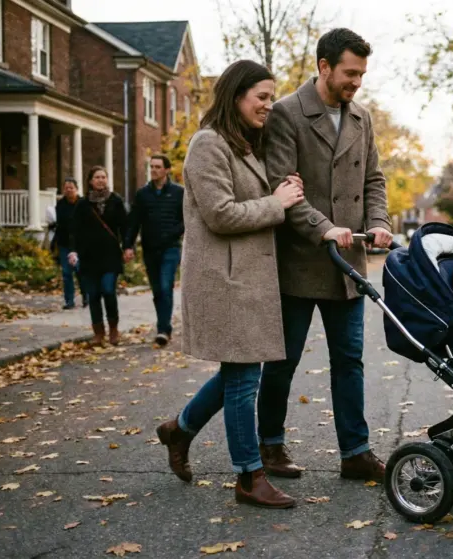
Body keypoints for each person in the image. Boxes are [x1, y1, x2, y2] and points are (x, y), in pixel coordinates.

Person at [155, 60, 305, 509]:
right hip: (225, 279)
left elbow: (249, 201)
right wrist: (275, 203)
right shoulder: (207, 144)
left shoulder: (243, 145)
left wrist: (283, 191)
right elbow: (220, 214)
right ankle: (248, 476)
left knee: (238, 375)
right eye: (261, 95)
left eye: (271, 96)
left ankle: (179, 428)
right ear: (235, 94)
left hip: (248, 279)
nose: (268, 104)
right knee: (242, 381)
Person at [262, 28, 392, 483]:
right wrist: (324, 228)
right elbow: (283, 190)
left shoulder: (361, 118)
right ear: (324, 67)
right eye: (349, 73)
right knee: (284, 360)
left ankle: (355, 452)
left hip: (348, 264)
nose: (356, 82)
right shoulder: (286, 114)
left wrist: (379, 224)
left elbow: (373, 180)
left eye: (361, 74)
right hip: (300, 260)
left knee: (349, 361)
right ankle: (270, 446)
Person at [124, 155, 185, 346]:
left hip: (171, 248)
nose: (154, 170)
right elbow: (134, 221)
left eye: (158, 167)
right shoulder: (143, 194)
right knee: (158, 290)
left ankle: (163, 329)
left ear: (166, 170)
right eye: (152, 167)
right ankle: (164, 327)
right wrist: (128, 245)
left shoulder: (178, 192)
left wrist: (172, 234)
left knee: (166, 286)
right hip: (150, 249)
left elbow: (187, 219)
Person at [68, 167, 128, 346]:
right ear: (90, 181)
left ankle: (114, 329)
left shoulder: (116, 201)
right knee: (93, 295)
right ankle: (98, 333)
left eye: (104, 177)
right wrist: (73, 250)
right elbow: (74, 230)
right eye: (97, 177)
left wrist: (127, 247)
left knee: (108, 291)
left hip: (110, 256)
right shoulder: (83, 204)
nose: (101, 180)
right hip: (88, 257)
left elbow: (124, 227)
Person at [54, 178, 85, 310]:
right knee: (66, 273)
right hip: (64, 243)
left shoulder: (83, 204)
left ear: (76, 189)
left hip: (80, 243)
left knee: (80, 271)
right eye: (66, 187)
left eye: (71, 187)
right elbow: (59, 224)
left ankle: (86, 296)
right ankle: (69, 301)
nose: (68, 190)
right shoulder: (60, 204)